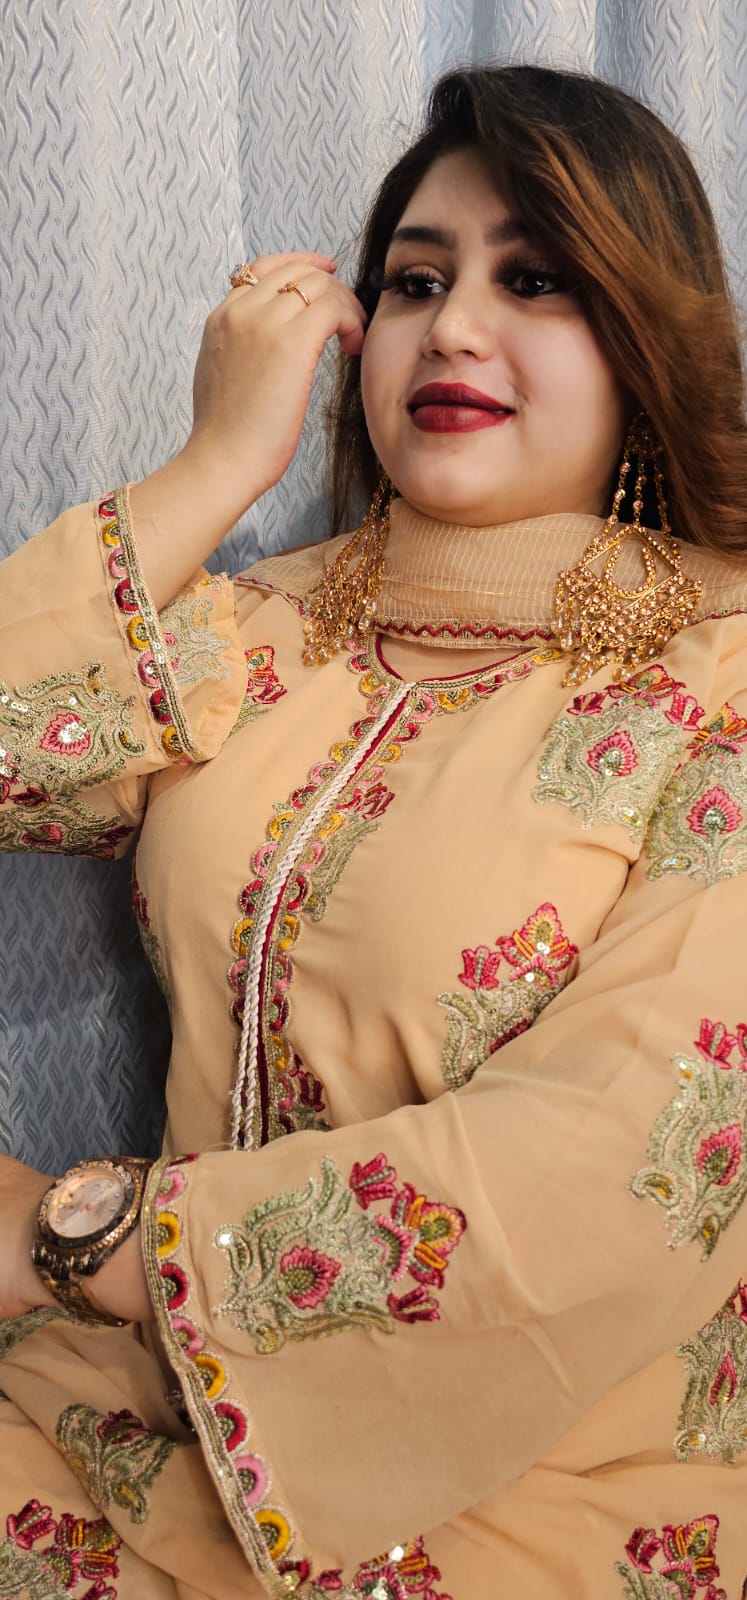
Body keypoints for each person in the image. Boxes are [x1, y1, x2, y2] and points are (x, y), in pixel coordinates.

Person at [0, 61, 745, 1600]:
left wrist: (82, 1237)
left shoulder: (719, 678)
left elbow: (619, 1163)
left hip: (547, 1477)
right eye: (415, 281)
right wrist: (216, 467)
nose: (454, 327)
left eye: (532, 278)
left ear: (644, 338)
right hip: (150, 1412)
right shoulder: (264, 631)